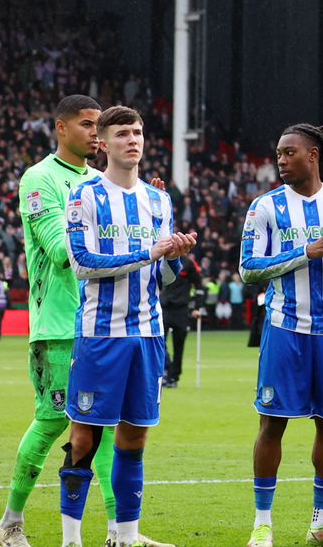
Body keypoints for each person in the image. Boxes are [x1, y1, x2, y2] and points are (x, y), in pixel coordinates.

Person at [60, 106, 198, 547]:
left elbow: (168, 275)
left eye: (137, 131)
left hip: (148, 334)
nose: (132, 139)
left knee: (135, 434)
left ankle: (125, 535)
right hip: (100, 334)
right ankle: (71, 538)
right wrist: (150, 253)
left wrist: (175, 253)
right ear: (102, 143)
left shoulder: (159, 201)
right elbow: (82, 265)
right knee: (83, 436)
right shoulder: (83, 196)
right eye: (121, 133)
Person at [0, 96, 123, 547]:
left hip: (103, 324)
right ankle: (10, 522)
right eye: (87, 124)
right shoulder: (39, 178)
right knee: (52, 424)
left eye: (99, 126)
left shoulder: (103, 181)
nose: (96, 133)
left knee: (106, 430)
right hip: (58, 325)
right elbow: (57, 248)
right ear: (61, 128)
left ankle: (116, 531)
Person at [240, 124, 323, 547]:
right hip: (284, 329)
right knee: (272, 423)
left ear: (312, 155)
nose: (280, 160)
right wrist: (304, 252)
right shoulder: (265, 207)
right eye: (278, 153)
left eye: (289, 152)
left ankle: (322, 523)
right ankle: (263, 524)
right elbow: (247, 269)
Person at [159, 257, 203, 388]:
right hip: (165, 307)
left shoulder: (189, 263)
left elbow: (199, 285)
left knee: (179, 346)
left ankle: (174, 376)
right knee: (159, 341)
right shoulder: (163, 259)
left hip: (181, 309)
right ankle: (167, 369)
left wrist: (197, 307)